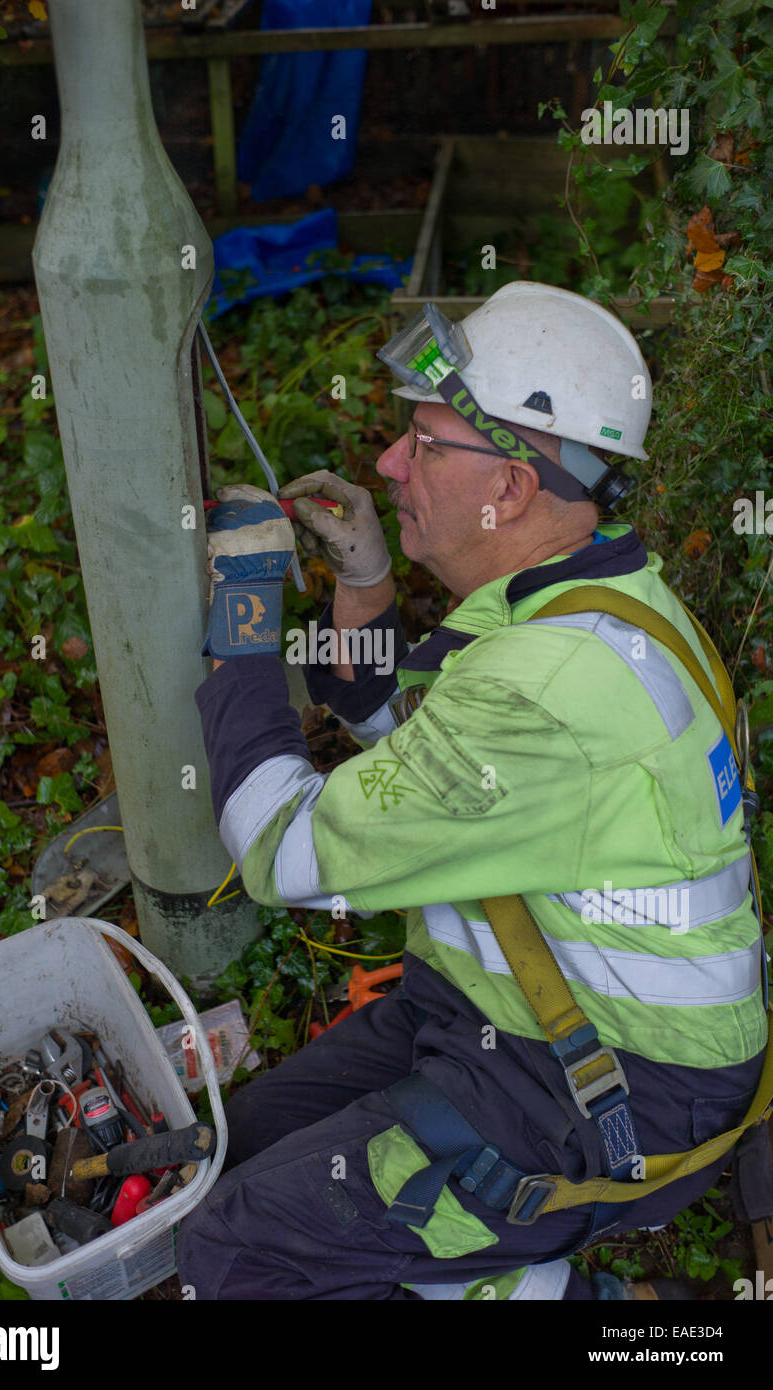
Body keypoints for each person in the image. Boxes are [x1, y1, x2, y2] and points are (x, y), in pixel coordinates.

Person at [178, 282, 767, 1301]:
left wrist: (238, 623)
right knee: (232, 1155)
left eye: (422, 443)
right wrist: (364, 580)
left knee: (239, 1248)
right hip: (497, 1014)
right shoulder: (590, 599)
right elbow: (407, 743)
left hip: (614, 1079)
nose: (387, 463)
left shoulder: (548, 685)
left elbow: (285, 848)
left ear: (511, 486)